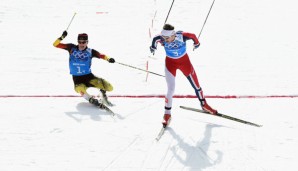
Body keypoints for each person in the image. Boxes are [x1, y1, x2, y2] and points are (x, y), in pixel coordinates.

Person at [150, 24, 217, 127]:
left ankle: (204, 105)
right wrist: (153, 47)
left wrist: (197, 43)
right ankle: (167, 114)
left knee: (197, 86)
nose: (165, 40)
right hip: (170, 64)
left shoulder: (182, 36)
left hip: (185, 63)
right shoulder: (161, 38)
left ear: (173, 34)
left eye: (167, 38)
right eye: (163, 38)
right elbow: (155, 39)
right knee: (170, 90)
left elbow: (193, 36)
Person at [53, 30, 115, 108]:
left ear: (87, 42)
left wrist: (109, 59)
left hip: (89, 77)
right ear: (77, 42)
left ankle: (103, 92)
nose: (81, 44)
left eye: (84, 42)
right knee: (80, 89)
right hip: (77, 79)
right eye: (80, 42)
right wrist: (62, 37)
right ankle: (91, 100)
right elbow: (55, 44)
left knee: (110, 87)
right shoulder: (71, 47)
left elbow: (101, 55)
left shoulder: (91, 51)